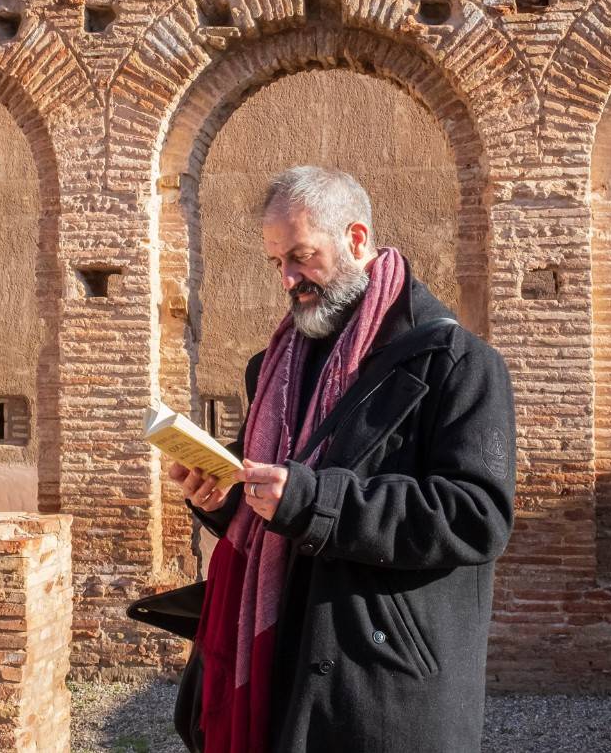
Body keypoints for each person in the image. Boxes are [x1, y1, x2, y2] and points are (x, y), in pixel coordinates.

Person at [167, 165, 517, 753]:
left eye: (302, 257)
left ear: (357, 240)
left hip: (378, 681)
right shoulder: (275, 368)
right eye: (277, 263)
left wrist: (312, 500)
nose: (289, 280)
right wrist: (227, 495)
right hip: (279, 665)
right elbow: (277, 514)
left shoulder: (456, 362)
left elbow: (475, 516)